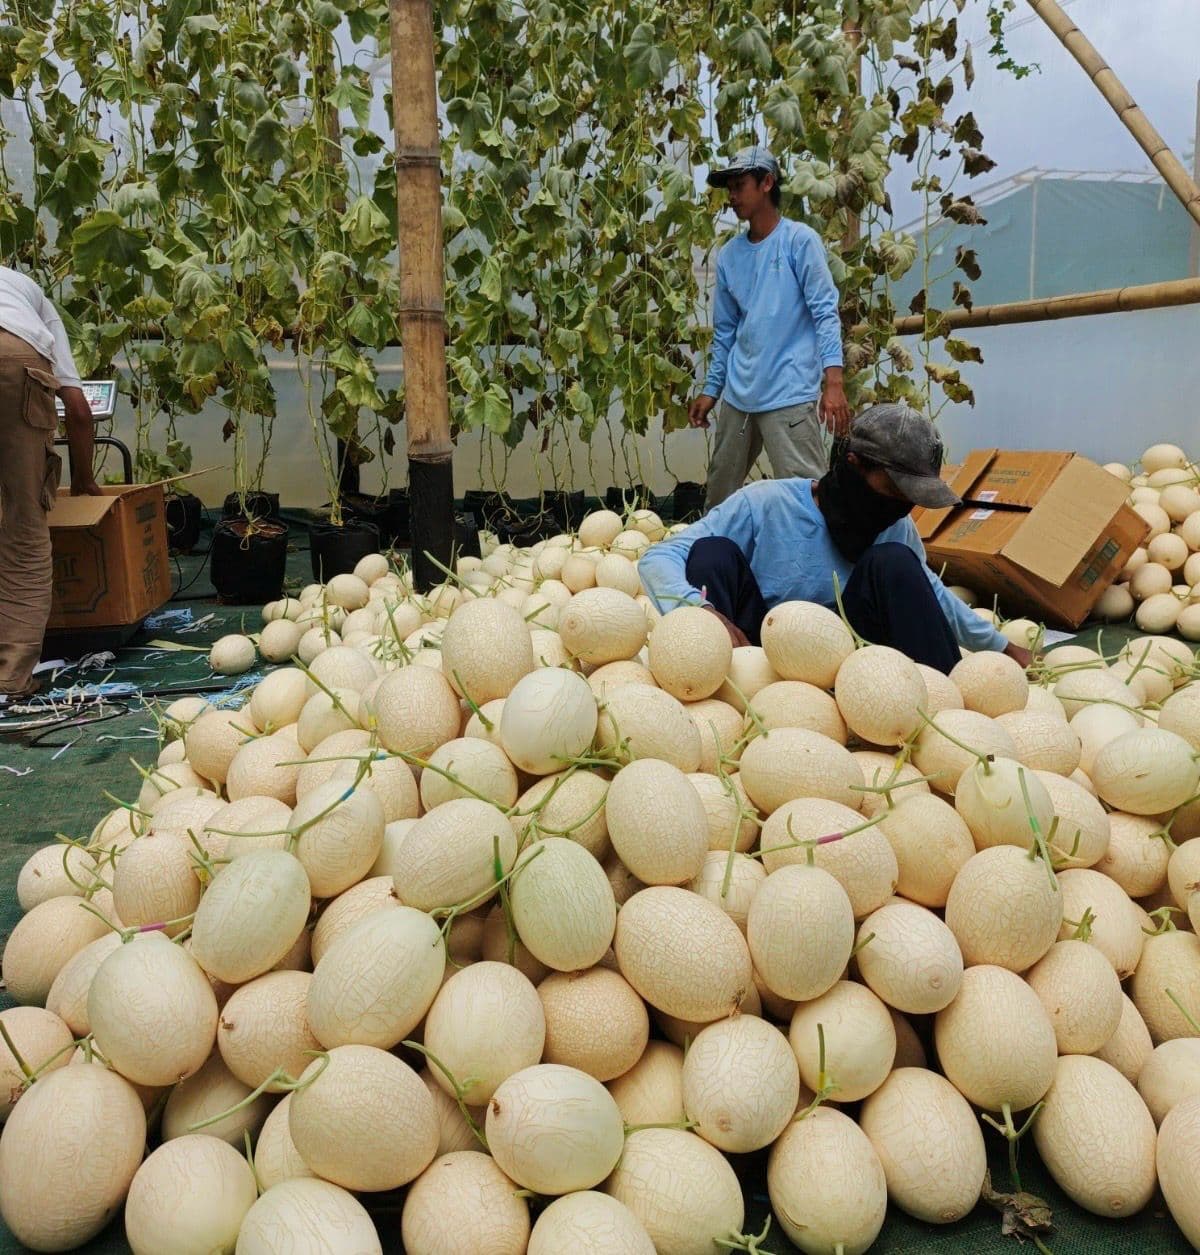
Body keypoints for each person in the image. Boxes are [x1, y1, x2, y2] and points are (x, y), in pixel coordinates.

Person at [639, 404, 1033, 674]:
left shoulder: (894, 527)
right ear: (854, 465)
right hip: (761, 657)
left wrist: (1000, 648)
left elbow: (929, 589)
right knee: (712, 553)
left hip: (856, 661)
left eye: (909, 498)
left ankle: (943, 715)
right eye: (893, 489)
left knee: (896, 562)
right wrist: (701, 612)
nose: (898, 506)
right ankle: (719, 697)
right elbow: (659, 558)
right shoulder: (766, 503)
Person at [689, 145, 851, 511]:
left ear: (766, 183)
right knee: (719, 499)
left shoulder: (799, 241)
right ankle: (719, 565)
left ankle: (822, 568)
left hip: (789, 396)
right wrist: (712, 389)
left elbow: (826, 312)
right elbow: (726, 332)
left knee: (809, 501)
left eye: (740, 185)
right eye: (728, 188)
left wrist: (834, 383)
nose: (732, 196)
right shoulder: (730, 256)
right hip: (738, 398)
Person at [0, 265, 99, 699]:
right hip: (13, 359)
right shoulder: (28, 295)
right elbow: (77, 410)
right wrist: (84, 482)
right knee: (23, 531)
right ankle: (11, 678)